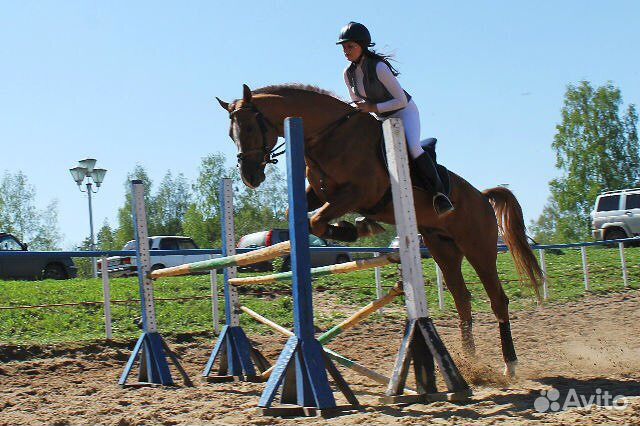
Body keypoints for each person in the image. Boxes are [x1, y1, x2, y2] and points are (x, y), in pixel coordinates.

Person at [337, 21, 454, 215]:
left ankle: (440, 195)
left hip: (404, 111)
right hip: (381, 117)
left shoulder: (379, 68)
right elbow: (358, 102)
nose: (346, 51)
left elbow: (400, 100)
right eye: (344, 47)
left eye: (350, 46)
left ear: (362, 46)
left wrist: (372, 107)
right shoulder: (347, 74)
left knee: (413, 147)